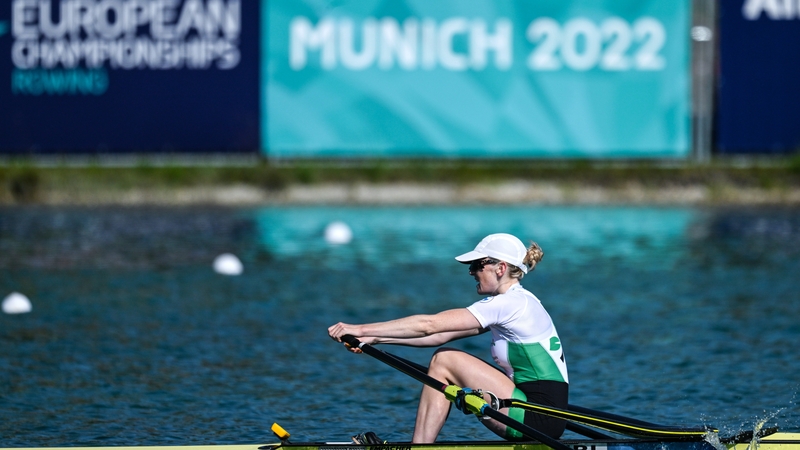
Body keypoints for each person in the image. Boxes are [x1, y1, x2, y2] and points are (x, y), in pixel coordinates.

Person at [328, 233, 569, 443]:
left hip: (537, 417)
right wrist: (374, 340)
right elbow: (437, 336)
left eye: (477, 265)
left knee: (444, 360)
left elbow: (428, 325)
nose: (472, 272)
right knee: (441, 360)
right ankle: (421, 444)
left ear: (501, 268)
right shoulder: (517, 303)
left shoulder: (510, 303)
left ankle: (420, 446)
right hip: (536, 413)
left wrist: (359, 329)